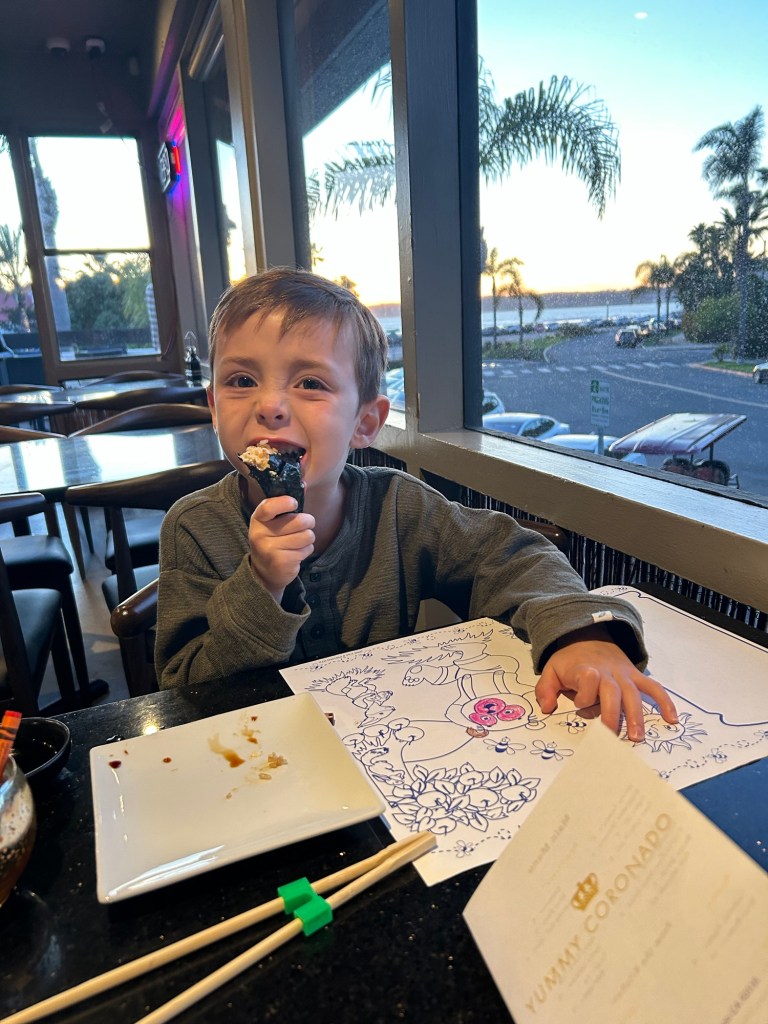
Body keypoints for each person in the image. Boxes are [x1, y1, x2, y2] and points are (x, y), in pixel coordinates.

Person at [156, 267, 677, 741]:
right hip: (256, 757)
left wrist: (584, 634)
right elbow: (185, 691)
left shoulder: (398, 507)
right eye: (241, 380)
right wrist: (261, 586)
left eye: (310, 383)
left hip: (394, 743)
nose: (269, 405)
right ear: (214, 406)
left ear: (365, 423)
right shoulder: (195, 528)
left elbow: (511, 555)